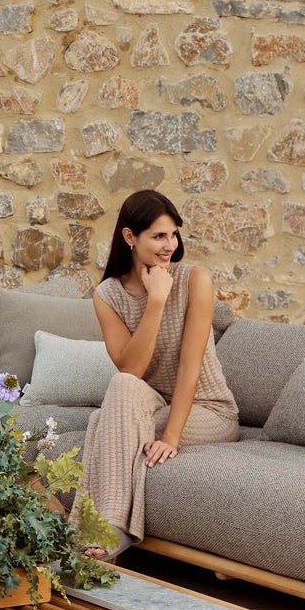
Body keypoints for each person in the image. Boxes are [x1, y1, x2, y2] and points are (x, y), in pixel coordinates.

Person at [76, 190, 239, 555]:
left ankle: (107, 530)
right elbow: (132, 369)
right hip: (151, 404)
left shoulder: (195, 280)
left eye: (174, 234)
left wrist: (171, 438)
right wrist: (156, 301)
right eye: (159, 236)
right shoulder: (107, 295)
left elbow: (189, 368)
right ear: (130, 237)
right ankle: (109, 530)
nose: (170, 245)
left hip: (208, 411)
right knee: (121, 383)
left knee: (105, 423)